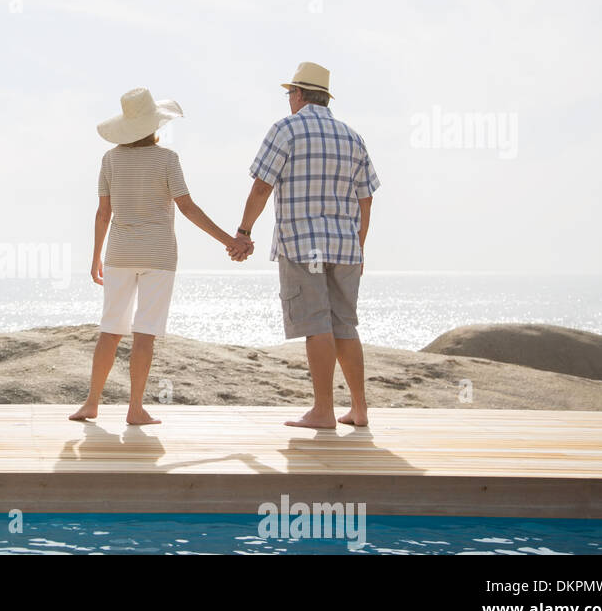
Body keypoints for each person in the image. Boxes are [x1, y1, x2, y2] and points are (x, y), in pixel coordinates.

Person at [70, 87, 247, 425]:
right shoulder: (168, 159)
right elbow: (188, 208)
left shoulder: (110, 159)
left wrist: (95, 259)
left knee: (110, 330)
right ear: (155, 125)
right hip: (159, 256)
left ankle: (91, 403)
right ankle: (135, 409)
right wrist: (230, 241)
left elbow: (102, 214)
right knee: (144, 333)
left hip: (119, 254)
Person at [229, 62, 380, 428]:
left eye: (289, 94)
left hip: (301, 244)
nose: (288, 101)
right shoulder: (352, 136)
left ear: (298, 94)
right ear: (324, 97)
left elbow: (262, 186)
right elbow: (366, 199)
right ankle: (359, 410)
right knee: (345, 325)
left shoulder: (286, 130)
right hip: (346, 246)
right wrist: (359, 247)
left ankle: (323, 411)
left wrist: (244, 232)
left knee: (317, 324)